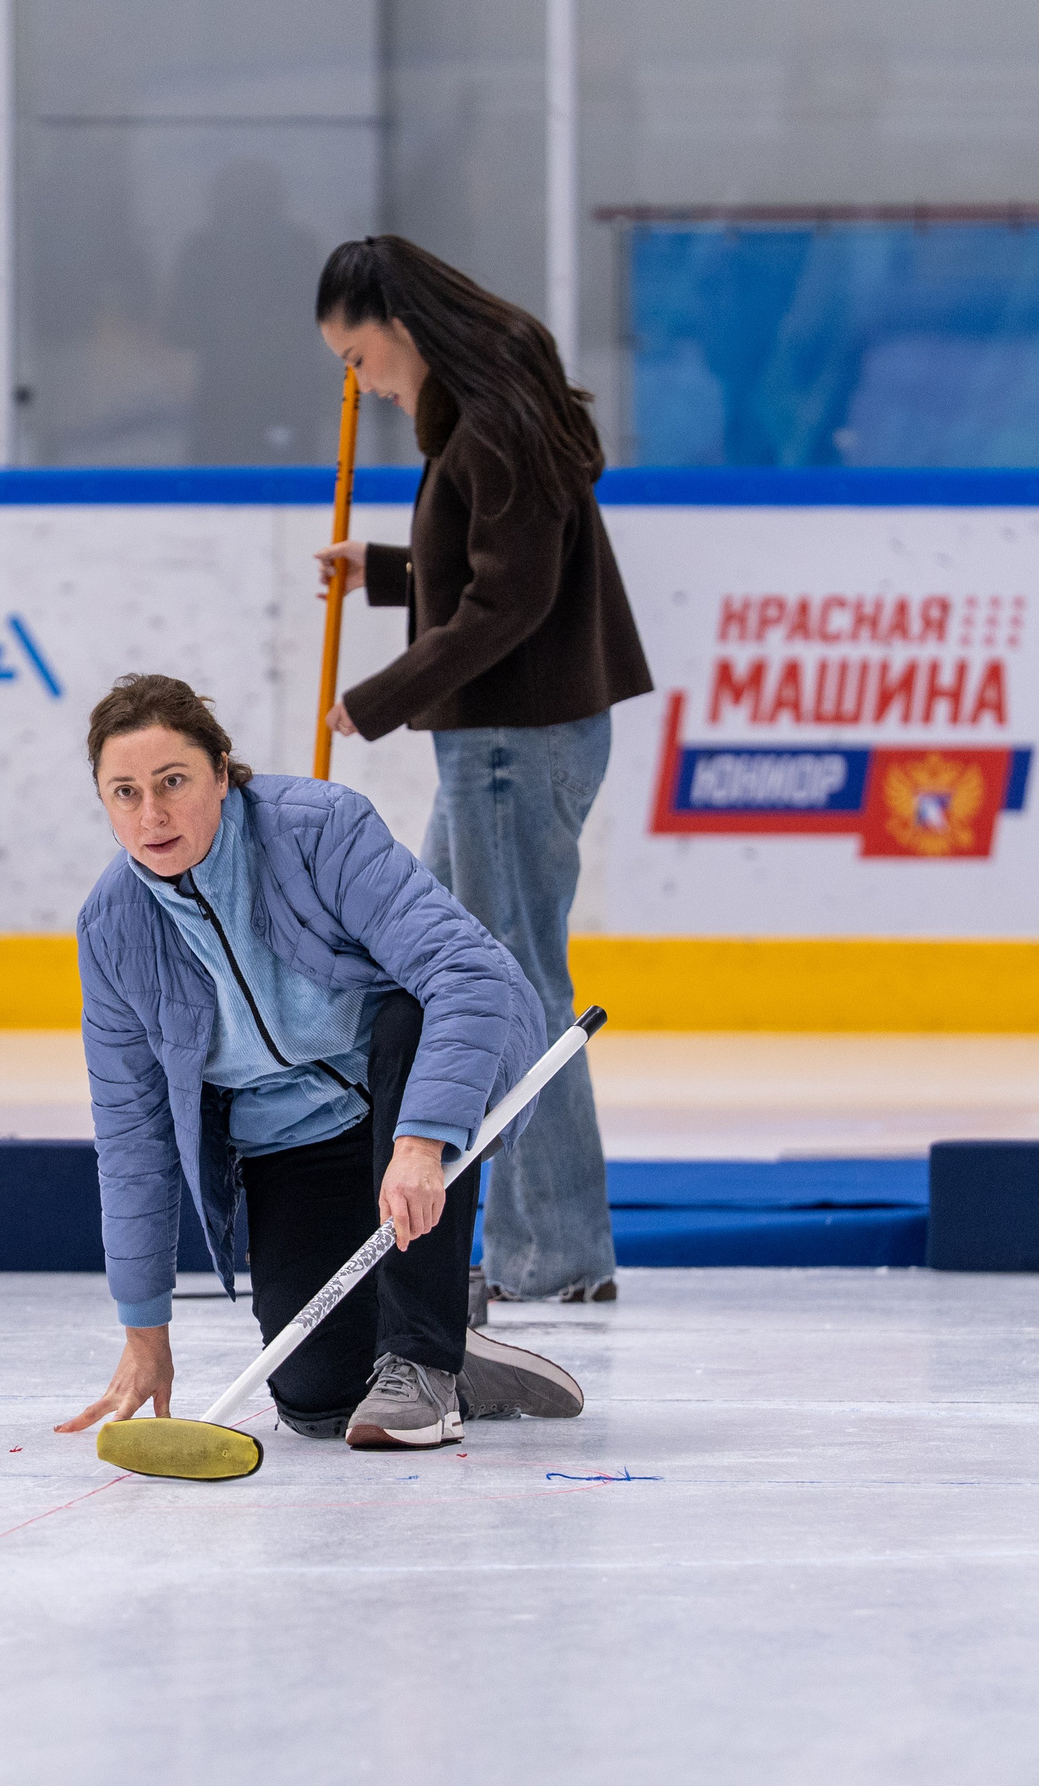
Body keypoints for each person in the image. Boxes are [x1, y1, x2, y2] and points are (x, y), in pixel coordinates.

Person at [55, 675, 584, 1451]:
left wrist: (420, 1142)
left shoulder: (317, 829)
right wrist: (145, 1331)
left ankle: (423, 1361)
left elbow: (465, 974)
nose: (152, 815)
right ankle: (458, 1357)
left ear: (223, 771)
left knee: (411, 1017)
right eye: (124, 793)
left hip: (407, 1089)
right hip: (290, 1141)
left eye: (173, 782)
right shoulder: (111, 929)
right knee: (317, 1399)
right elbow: (133, 1141)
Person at [313, 235, 653, 1305]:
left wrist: (378, 699)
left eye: (358, 355)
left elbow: (511, 603)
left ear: (401, 328)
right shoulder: (482, 412)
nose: (358, 383)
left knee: (513, 991)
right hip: (501, 738)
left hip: (512, 739)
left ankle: (551, 1253)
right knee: (456, 977)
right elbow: (494, 568)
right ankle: (519, 1246)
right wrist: (387, 572)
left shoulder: (496, 418)